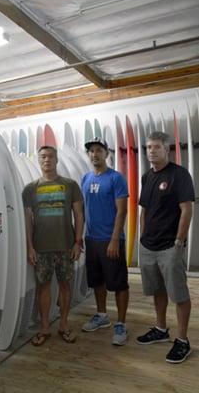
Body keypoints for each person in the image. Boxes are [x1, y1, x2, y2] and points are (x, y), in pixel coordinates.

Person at [136, 131, 195, 364]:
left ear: (167, 149)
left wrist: (179, 242)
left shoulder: (179, 175)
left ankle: (182, 340)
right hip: (148, 245)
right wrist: (142, 237)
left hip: (171, 245)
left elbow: (187, 210)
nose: (151, 150)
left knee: (178, 294)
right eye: (148, 147)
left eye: (156, 147)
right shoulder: (146, 177)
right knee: (157, 290)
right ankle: (160, 329)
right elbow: (144, 210)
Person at [23, 145, 84, 346]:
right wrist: (30, 247)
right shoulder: (30, 189)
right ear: (39, 161)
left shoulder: (70, 185)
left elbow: (79, 215)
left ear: (56, 160)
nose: (47, 160)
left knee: (65, 285)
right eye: (43, 157)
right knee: (43, 287)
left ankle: (64, 325)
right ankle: (44, 327)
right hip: (41, 248)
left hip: (66, 246)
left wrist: (77, 242)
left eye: (50, 156)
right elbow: (27, 221)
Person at [81, 137, 129, 345]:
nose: (94, 154)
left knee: (118, 284)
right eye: (91, 151)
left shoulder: (116, 178)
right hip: (91, 240)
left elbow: (122, 211)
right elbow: (83, 210)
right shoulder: (85, 179)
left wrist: (114, 240)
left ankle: (121, 324)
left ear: (106, 154)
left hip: (111, 239)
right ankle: (102, 316)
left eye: (99, 150)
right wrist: (79, 237)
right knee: (97, 282)